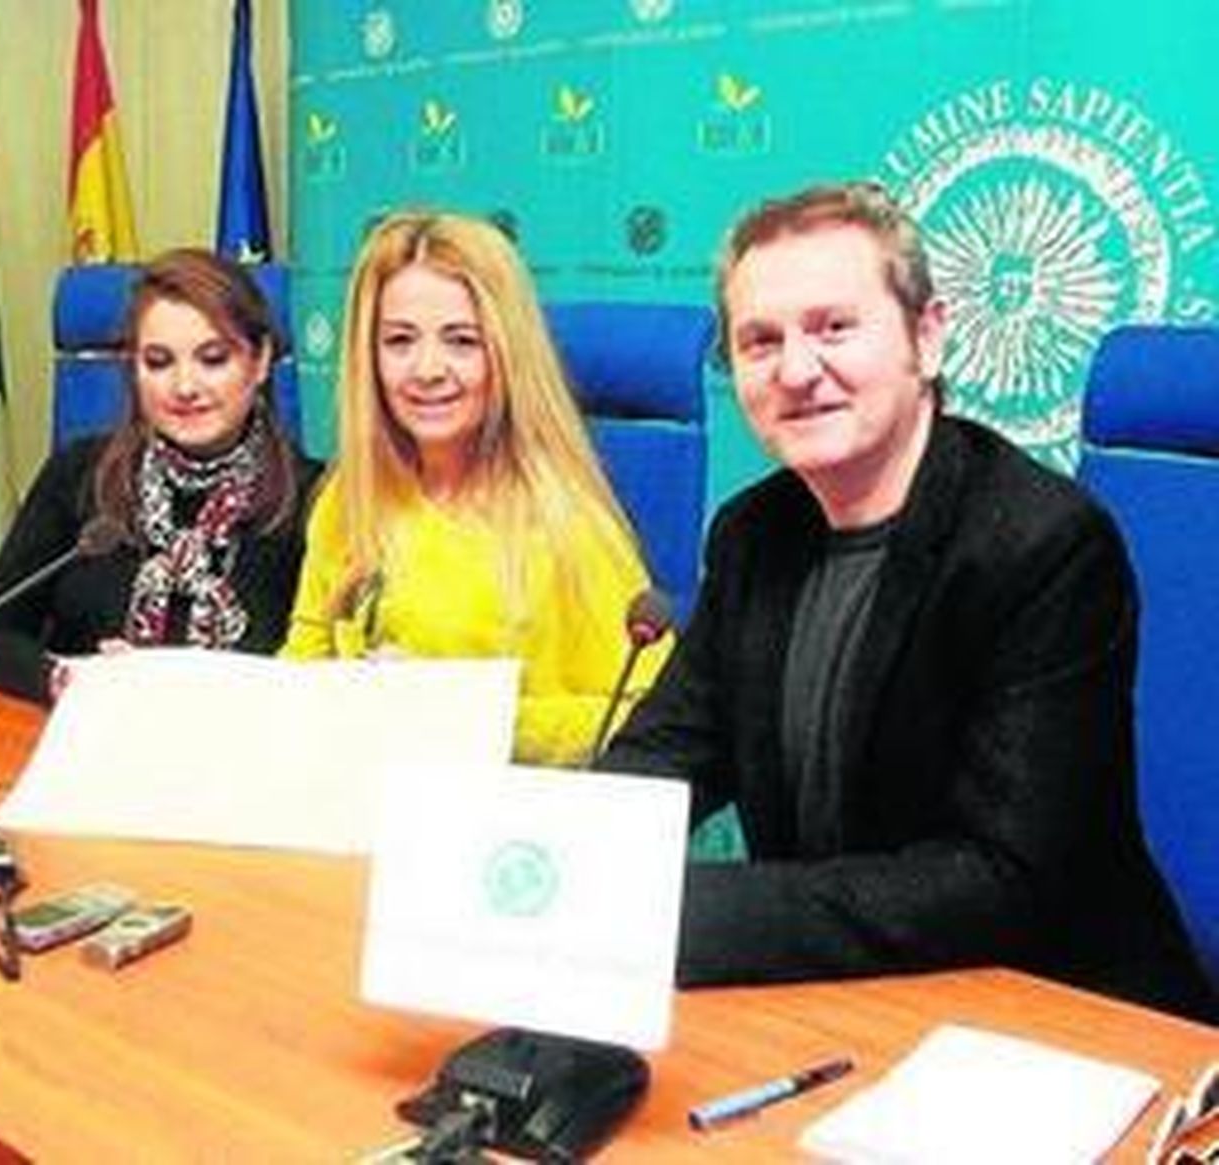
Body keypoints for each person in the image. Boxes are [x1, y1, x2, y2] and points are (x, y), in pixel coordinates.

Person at [600, 181, 1216, 1020]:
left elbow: (1001, 879)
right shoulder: (751, 535)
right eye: (759, 340)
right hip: (844, 994)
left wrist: (677, 915)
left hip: (1054, 1009)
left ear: (926, 337)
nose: (795, 369)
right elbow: (662, 760)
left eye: (833, 327)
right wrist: (552, 865)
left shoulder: (1041, 542)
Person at [280, 211, 661, 766]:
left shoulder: (568, 524)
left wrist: (463, 720)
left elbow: (646, 718)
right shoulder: (349, 496)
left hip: (506, 831)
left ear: (506, 354)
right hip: (358, 815)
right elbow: (303, 668)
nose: (427, 369)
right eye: (400, 340)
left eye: (461, 341)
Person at [0, 248, 319, 704]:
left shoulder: (314, 497)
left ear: (260, 360)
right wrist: (68, 681)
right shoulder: (79, 474)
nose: (185, 387)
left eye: (212, 359)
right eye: (159, 362)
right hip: (89, 745)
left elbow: (320, 675)